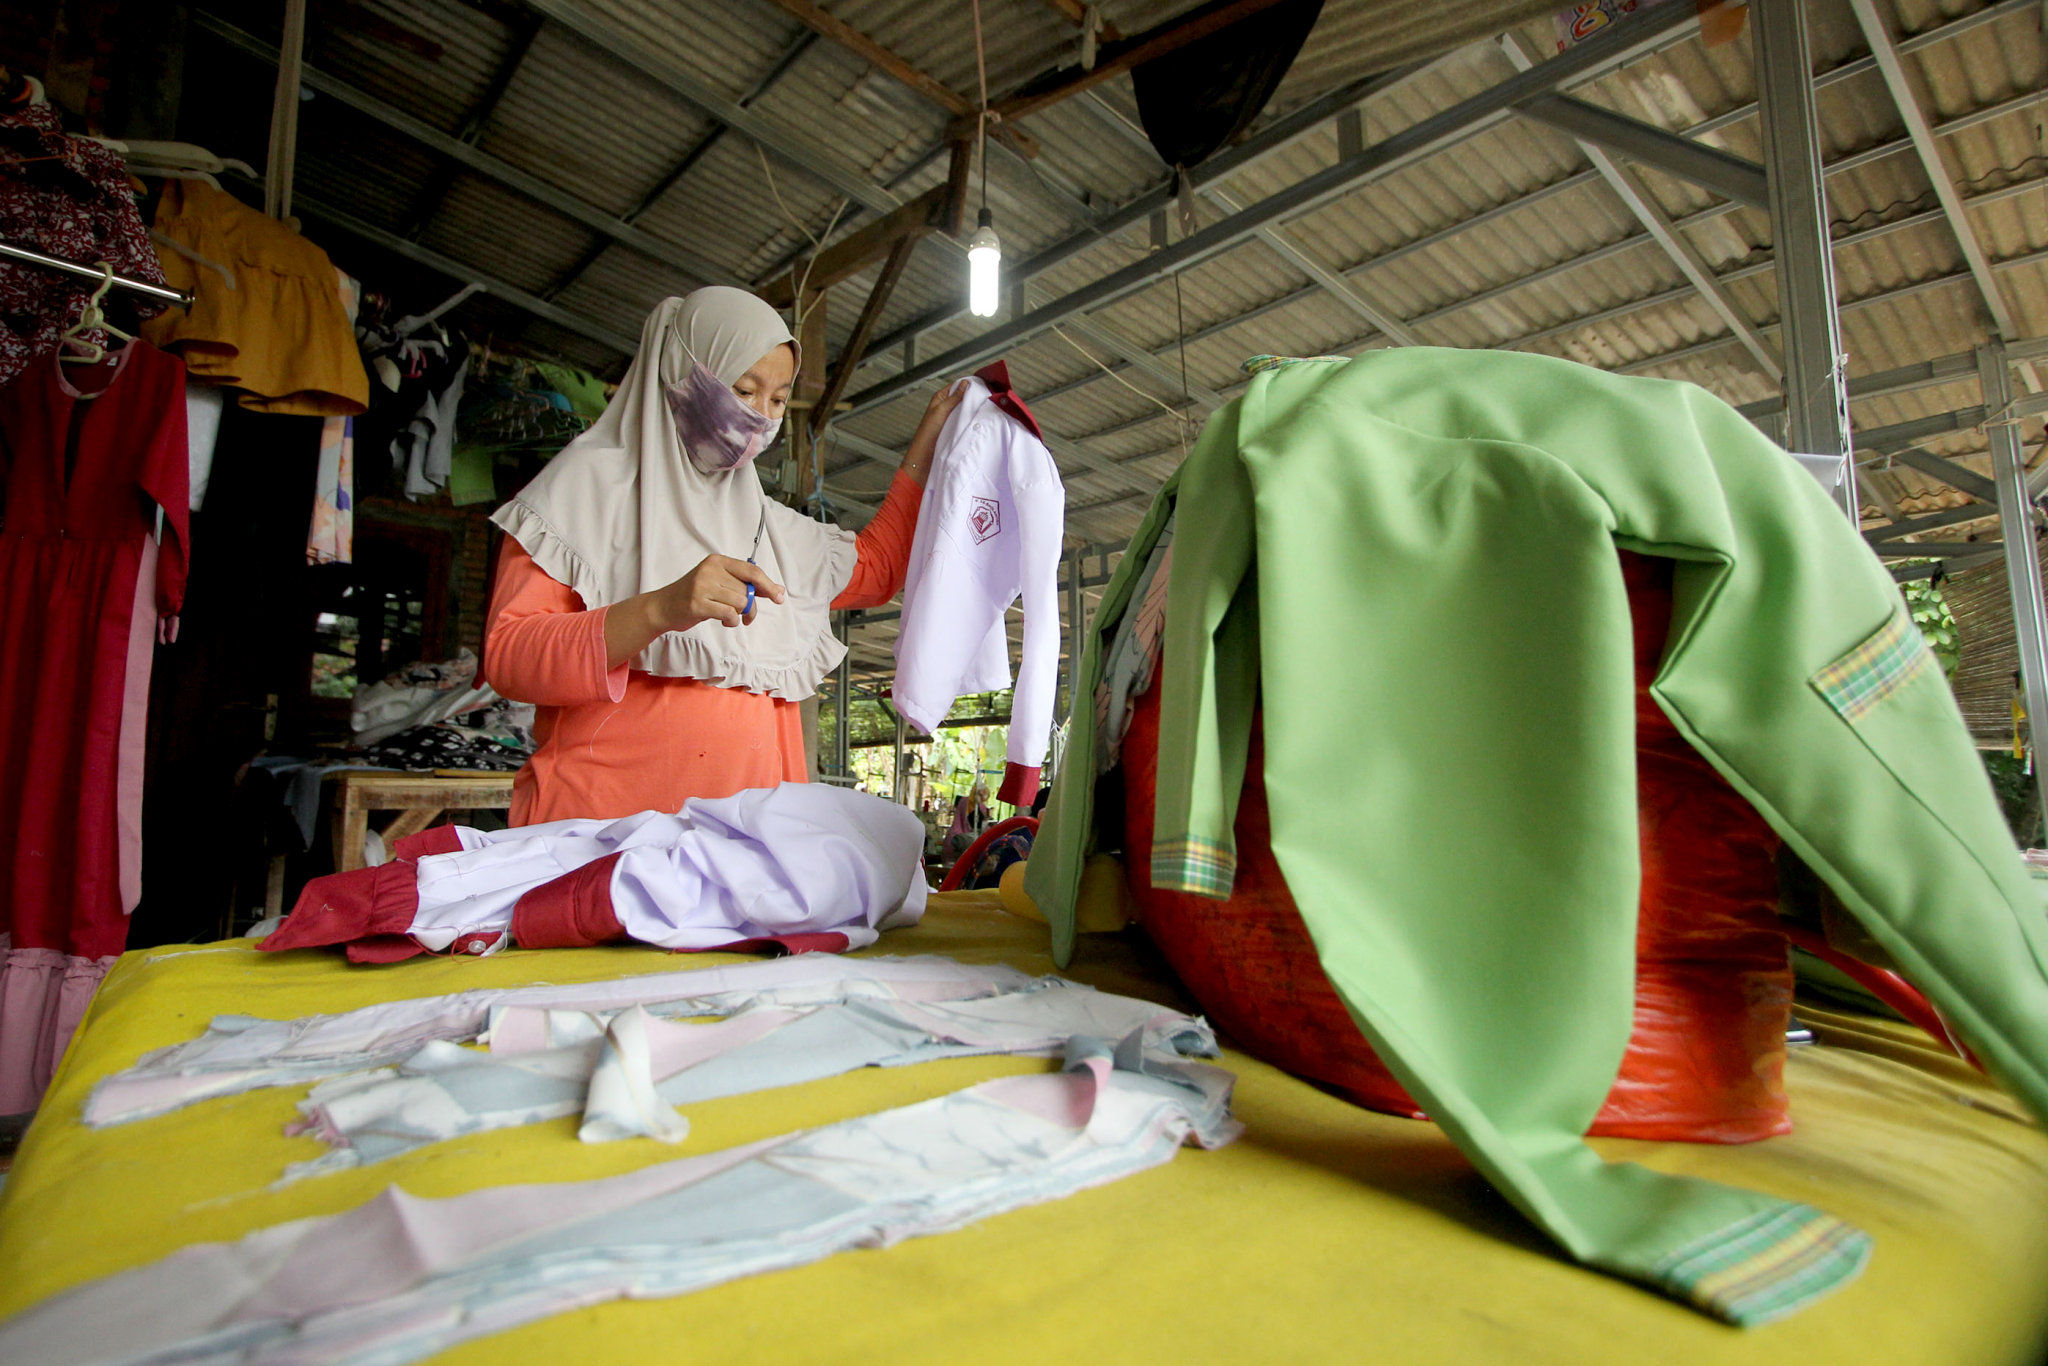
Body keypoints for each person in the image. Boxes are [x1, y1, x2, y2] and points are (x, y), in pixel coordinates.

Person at [485, 288, 962, 826]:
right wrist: (658, 609)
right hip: (601, 836)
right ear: (682, 372)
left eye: (779, 400)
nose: (760, 417)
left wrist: (932, 443)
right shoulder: (582, 489)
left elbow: (879, 568)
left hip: (743, 850)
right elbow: (510, 657)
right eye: (743, 389)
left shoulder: (770, 528)